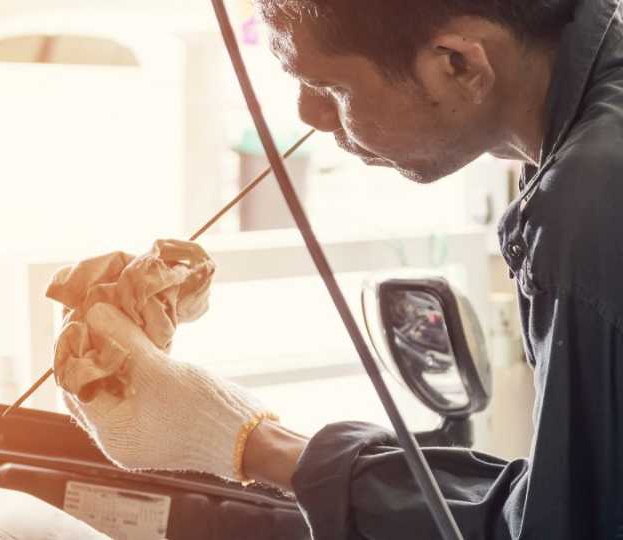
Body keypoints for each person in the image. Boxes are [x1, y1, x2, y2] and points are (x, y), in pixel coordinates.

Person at [56, 0, 623, 537]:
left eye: (332, 87)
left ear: (459, 64)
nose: (308, 114)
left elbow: (566, 528)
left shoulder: (591, 197)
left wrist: (239, 437)